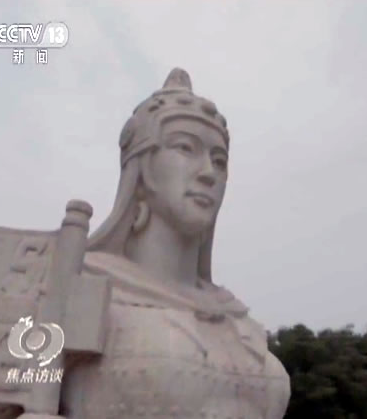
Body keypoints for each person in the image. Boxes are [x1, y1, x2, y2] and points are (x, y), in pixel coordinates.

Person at [56, 68, 291, 419]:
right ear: (143, 165)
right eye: (185, 148)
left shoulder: (238, 320)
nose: (208, 172)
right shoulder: (79, 289)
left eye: (219, 160)